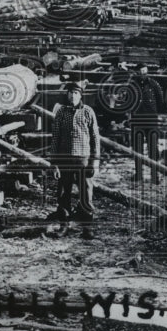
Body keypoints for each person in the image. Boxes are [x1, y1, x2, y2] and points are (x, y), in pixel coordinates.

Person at [48, 83, 100, 239]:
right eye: (70, 92)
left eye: (76, 93)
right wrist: (54, 164)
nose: (72, 96)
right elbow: (55, 138)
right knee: (64, 193)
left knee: (86, 194)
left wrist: (95, 162)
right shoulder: (61, 112)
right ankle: (64, 226)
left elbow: (95, 138)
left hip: (83, 160)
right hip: (64, 160)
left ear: (80, 95)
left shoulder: (88, 112)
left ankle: (87, 228)